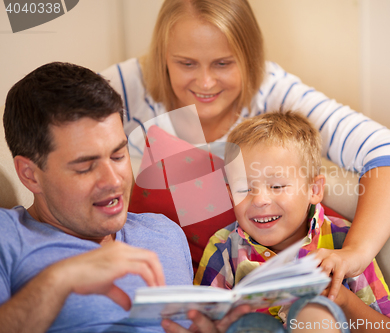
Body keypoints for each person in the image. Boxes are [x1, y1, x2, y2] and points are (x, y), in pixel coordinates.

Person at [100, 0, 390, 300]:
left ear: (249, 57)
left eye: (223, 63)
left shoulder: (272, 89)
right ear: (162, 58)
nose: (206, 82)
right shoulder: (131, 84)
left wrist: (355, 251)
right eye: (186, 63)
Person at [0, 62, 250, 333]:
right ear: (30, 175)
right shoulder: (8, 236)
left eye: (118, 156)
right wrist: (60, 279)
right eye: (85, 166)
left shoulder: (165, 233)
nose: (114, 181)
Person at [193, 112, 390, 333]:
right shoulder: (223, 246)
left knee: (315, 310)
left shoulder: (347, 242)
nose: (260, 200)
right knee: (250, 325)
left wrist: (342, 299)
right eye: (244, 189)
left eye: (277, 186)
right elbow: (200, 322)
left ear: (314, 190)